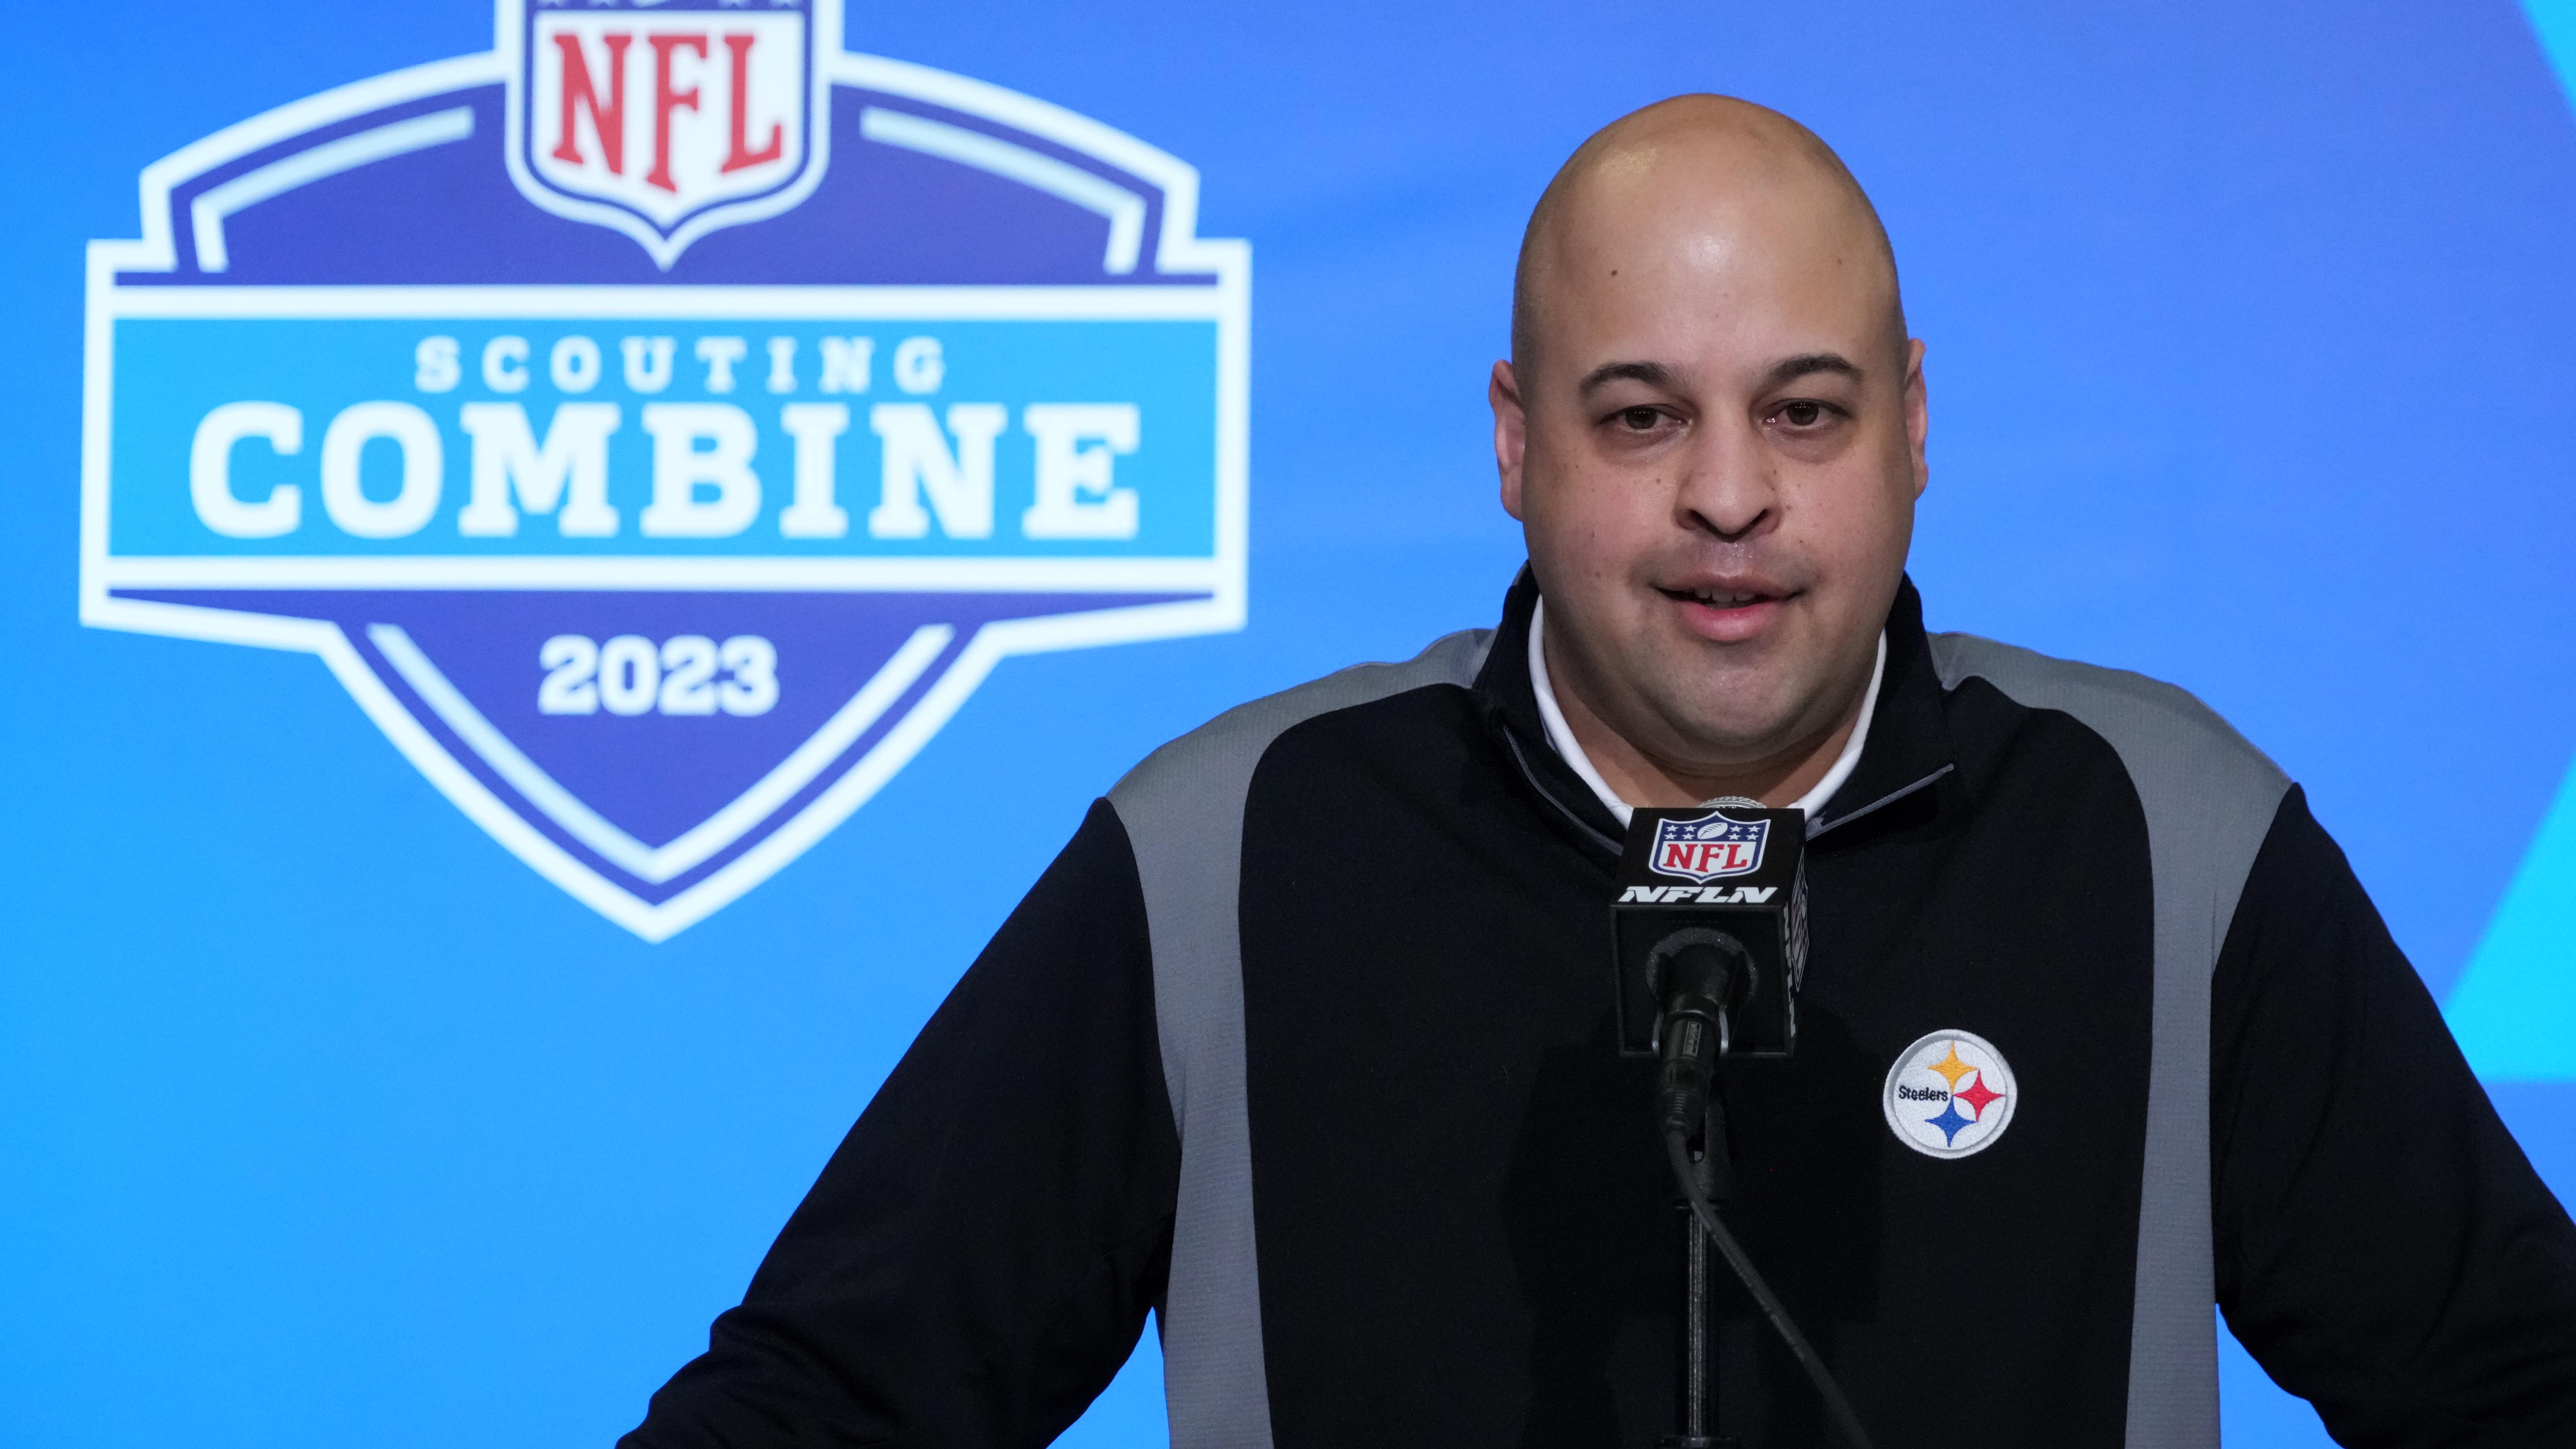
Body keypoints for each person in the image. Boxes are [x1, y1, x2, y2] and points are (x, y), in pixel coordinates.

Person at [620, 96, 2576, 1448]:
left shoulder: (2165, 838)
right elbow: (829, 1398)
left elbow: (2515, 1382)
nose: (1728, 495)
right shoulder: (1226, 853)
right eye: (1641, 414)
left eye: (1802, 410)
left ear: (1910, 427)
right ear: (1513, 441)